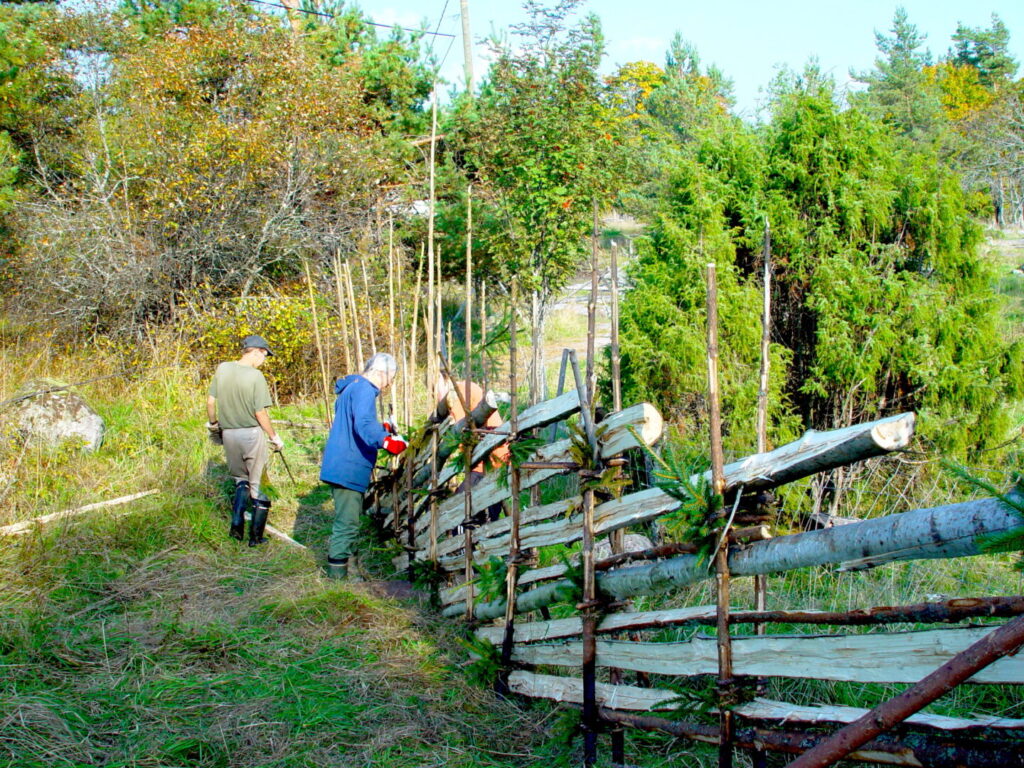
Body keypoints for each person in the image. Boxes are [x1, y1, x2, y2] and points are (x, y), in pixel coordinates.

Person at [320, 352, 408, 580]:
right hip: (348, 466)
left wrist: (383, 428)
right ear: (382, 372)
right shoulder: (364, 390)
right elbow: (363, 424)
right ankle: (336, 581)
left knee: (350, 520)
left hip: (341, 463)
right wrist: (386, 441)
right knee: (346, 524)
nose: (388, 384)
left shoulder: (353, 387)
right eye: (390, 378)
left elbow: (357, 422)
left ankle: (350, 571)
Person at [206, 335, 284, 547]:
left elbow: (211, 402)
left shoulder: (223, 368)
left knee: (240, 480)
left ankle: (236, 529)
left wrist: (214, 425)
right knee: (261, 485)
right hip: (251, 434)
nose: (264, 360)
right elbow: (260, 413)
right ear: (257, 351)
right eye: (265, 355)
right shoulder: (256, 376)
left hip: (228, 433)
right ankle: (256, 538)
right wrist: (274, 437)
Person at [437, 373, 510, 525]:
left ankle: (470, 543)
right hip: (486, 458)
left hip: (489, 458)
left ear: (444, 381)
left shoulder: (460, 393)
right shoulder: (462, 391)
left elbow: (460, 432)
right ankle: (482, 539)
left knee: (462, 507)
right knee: (485, 505)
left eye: (435, 389)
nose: (436, 395)